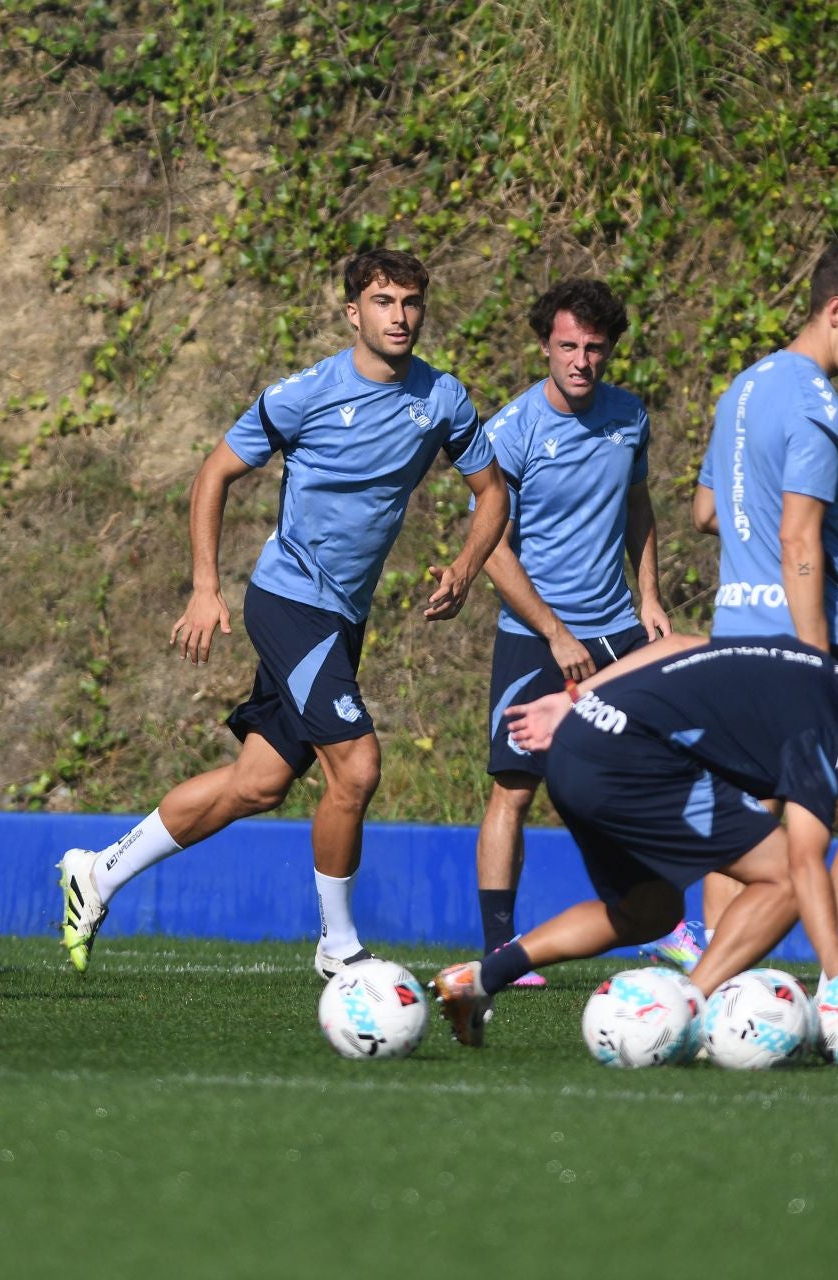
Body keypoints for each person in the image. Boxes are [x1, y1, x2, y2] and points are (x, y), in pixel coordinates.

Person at [59, 249, 510, 980]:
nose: (400, 316)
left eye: (411, 302)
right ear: (352, 313)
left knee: (258, 784)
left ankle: (99, 872)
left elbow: (492, 491)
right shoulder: (305, 394)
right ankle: (338, 948)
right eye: (383, 301)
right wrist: (205, 587)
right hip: (289, 600)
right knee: (357, 767)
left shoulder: (444, 398)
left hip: (343, 617)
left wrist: (464, 568)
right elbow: (215, 473)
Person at [431, 620, 838, 1045]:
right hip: (630, 762)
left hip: (578, 745)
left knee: (648, 912)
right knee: (782, 878)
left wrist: (573, 699)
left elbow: (680, 644)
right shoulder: (829, 725)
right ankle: (683, 1012)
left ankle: (476, 980)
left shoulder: (804, 661)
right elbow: (803, 861)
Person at [642, 243, 838, 975]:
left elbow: (708, 511)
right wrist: (818, 661)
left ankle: (721, 989)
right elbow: (796, 536)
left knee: (743, 821)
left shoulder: (745, 388)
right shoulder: (818, 404)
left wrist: (832, 516)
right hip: (804, 636)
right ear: (836, 311)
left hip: (734, 635)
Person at [471, 279, 674, 990]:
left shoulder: (630, 416)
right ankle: (501, 947)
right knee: (515, 790)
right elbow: (492, 546)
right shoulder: (513, 430)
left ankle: (668, 926)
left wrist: (649, 595)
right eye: (567, 347)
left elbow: (639, 505)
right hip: (535, 634)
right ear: (545, 346)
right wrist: (554, 631)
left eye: (593, 348)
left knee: (647, 776)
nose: (581, 361)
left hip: (620, 629)